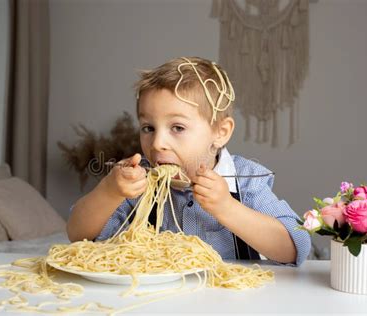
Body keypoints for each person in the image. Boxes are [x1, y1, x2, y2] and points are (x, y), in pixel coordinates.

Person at [67, 56, 311, 266]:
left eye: (177, 127)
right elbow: (78, 234)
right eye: (148, 128)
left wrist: (227, 207)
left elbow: (296, 247)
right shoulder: (137, 184)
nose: (157, 143)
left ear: (221, 132)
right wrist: (110, 191)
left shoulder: (245, 181)